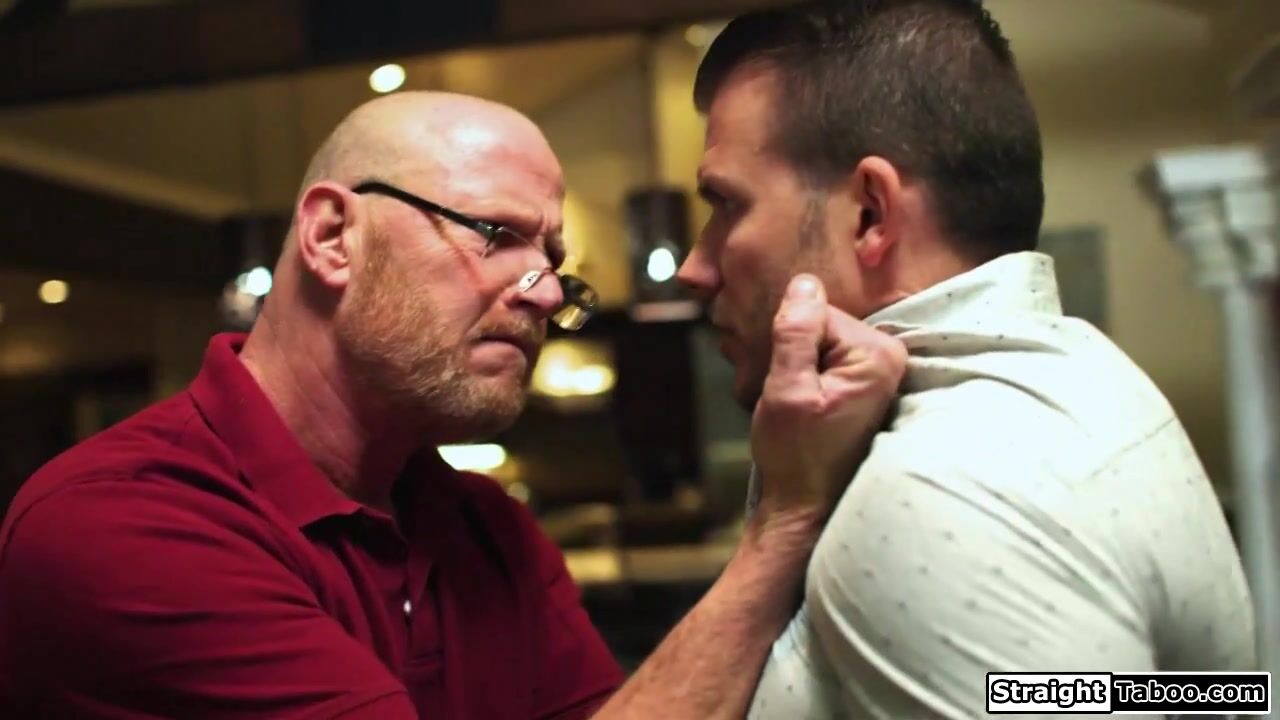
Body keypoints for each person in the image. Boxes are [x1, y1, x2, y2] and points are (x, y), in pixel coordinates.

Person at [0, 91, 906, 718]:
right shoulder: (116, 524)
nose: (545, 293)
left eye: (552, 261)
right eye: (495, 234)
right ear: (332, 236)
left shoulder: (485, 528)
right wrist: (783, 523)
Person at [675, 0, 1257, 716]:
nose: (694, 268)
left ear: (870, 215)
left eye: (725, 205)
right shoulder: (1094, 381)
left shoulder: (935, 492)